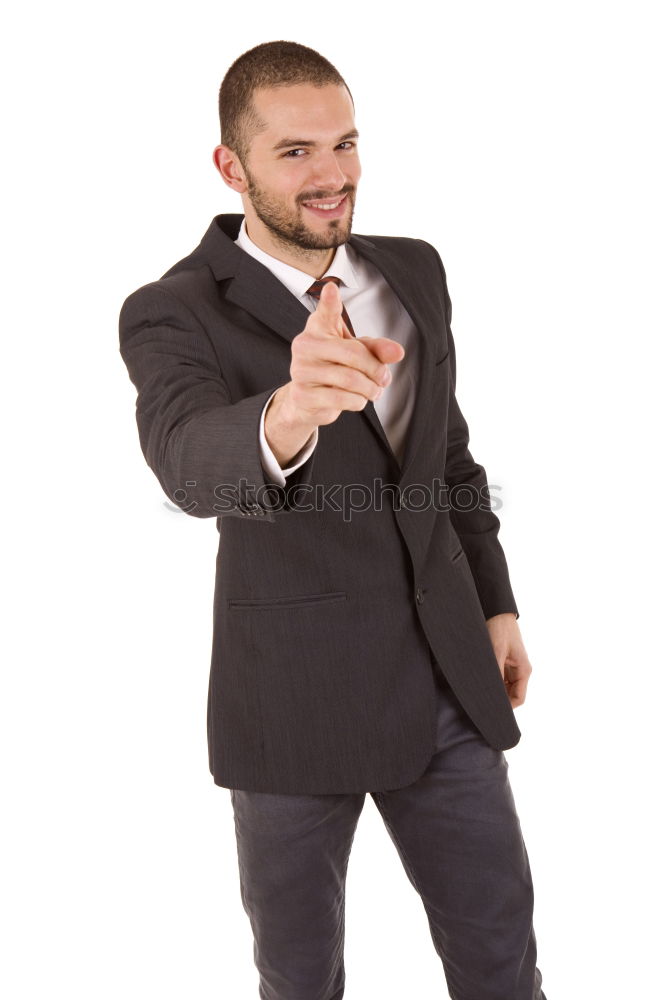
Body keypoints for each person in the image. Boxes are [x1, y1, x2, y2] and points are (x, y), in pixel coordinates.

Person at [119, 39, 547, 1000]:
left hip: (447, 684)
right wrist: (289, 411)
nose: (333, 175)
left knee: (502, 960)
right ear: (232, 168)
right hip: (289, 708)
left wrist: (496, 606)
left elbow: (447, 460)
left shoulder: (414, 271)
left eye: (345, 144)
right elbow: (188, 464)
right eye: (297, 152)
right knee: (301, 980)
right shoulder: (171, 310)